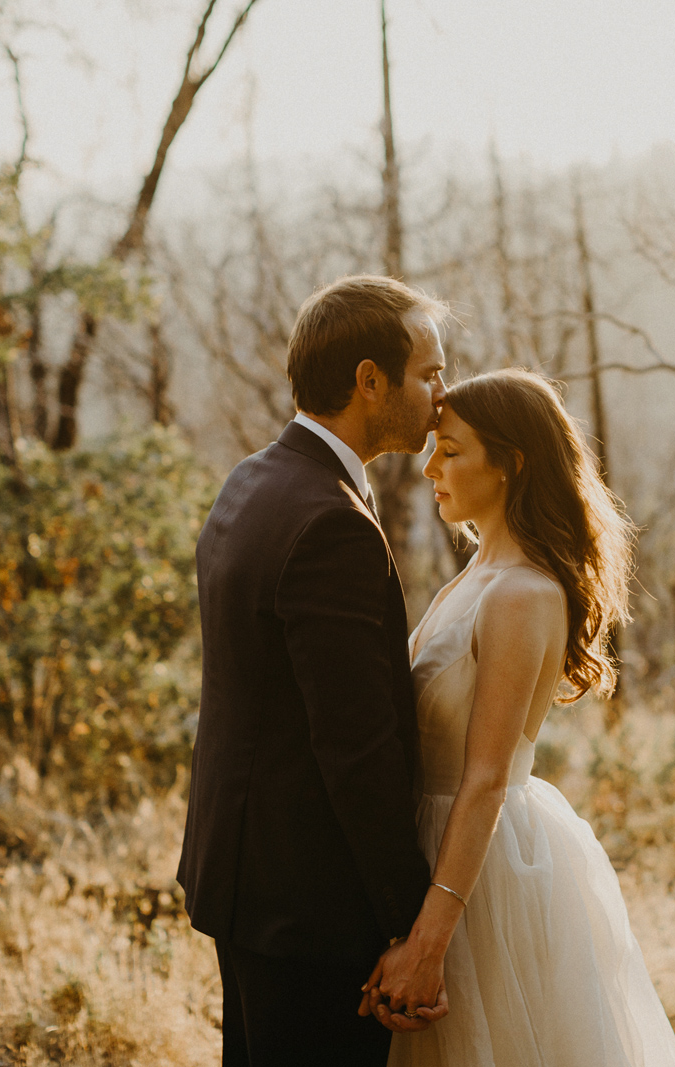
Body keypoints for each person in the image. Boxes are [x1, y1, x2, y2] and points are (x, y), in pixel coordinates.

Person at [361, 368, 675, 1067]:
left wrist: (429, 942)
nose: (429, 466)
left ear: (511, 462)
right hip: (433, 844)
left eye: (451, 450)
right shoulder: (473, 575)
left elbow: (484, 778)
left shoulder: (520, 594)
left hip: (479, 872)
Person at [178, 275, 457, 1066]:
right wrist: (409, 923)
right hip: (311, 903)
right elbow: (355, 747)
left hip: (244, 876)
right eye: (429, 372)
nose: (444, 393)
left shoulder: (253, 479)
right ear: (370, 381)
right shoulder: (331, 520)